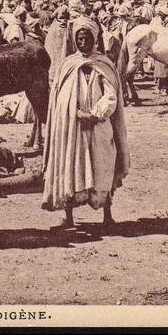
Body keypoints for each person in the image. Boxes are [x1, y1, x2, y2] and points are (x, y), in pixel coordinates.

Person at [41, 17, 129, 228]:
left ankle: (107, 214)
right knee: (70, 167)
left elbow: (111, 96)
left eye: (87, 38)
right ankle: (68, 217)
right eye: (79, 39)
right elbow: (57, 98)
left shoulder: (104, 64)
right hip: (72, 128)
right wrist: (69, 113)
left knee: (103, 166)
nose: (83, 43)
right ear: (74, 39)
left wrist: (95, 114)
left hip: (98, 126)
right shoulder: (68, 65)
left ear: (95, 39)